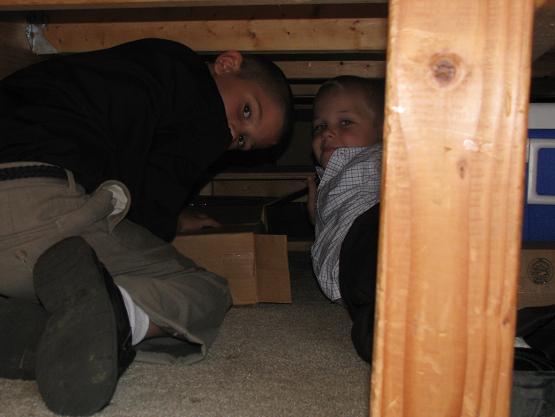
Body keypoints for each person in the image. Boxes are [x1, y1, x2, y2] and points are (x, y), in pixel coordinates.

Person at [0, 38, 293, 415]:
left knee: (67, 263)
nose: (231, 130)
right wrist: (168, 221)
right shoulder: (195, 94)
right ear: (226, 63)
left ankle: (34, 329)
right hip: (31, 208)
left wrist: (173, 213)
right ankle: (120, 317)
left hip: (23, 217)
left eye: (241, 140)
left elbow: (141, 167)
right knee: (209, 288)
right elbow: (149, 210)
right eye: (247, 110)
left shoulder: (134, 68)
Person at [308, 75, 384, 363]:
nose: (327, 133)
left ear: (383, 130)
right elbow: (331, 221)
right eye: (319, 126)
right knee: (366, 289)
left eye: (345, 123)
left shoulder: (378, 156)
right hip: (347, 259)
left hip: (375, 226)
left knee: (375, 269)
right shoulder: (327, 180)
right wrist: (316, 215)